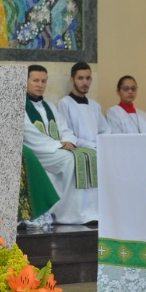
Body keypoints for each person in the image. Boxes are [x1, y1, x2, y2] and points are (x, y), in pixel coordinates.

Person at [23, 65, 98, 225]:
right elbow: (29, 134)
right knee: (70, 160)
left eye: (43, 81)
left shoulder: (49, 105)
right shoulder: (20, 106)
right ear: (26, 81)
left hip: (55, 150)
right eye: (35, 80)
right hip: (39, 152)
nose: (40, 84)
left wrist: (68, 140)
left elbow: (64, 127)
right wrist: (58, 145)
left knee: (89, 156)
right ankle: (67, 214)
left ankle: (89, 211)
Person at [57, 62, 110, 148]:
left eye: (88, 78)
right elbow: (67, 133)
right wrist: (93, 145)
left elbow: (105, 131)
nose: (85, 82)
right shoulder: (64, 103)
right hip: (78, 150)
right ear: (72, 80)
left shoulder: (95, 105)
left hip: (99, 149)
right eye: (80, 78)